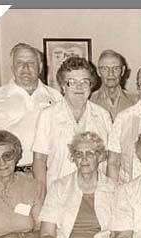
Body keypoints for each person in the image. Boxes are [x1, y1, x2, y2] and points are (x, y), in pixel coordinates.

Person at [0, 43, 62, 177]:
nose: (25, 68)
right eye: (19, 63)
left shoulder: (55, 96)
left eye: (31, 63)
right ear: (12, 67)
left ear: (40, 67)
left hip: (47, 174)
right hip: (6, 175)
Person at [33, 56, 112, 189]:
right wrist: (42, 196)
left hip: (96, 192)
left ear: (91, 85)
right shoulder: (48, 115)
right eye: (72, 82)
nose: (79, 86)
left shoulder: (103, 115)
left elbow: (111, 159)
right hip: (59, 192)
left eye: (84, 81)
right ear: (63, 86)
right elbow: (39, 160)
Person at [90, 49, 139, 121]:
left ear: (122, 70)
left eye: (116, 68)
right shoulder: (89, 101)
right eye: (105, 69)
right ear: (98, 71)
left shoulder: (136, 101)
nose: (111, 73)